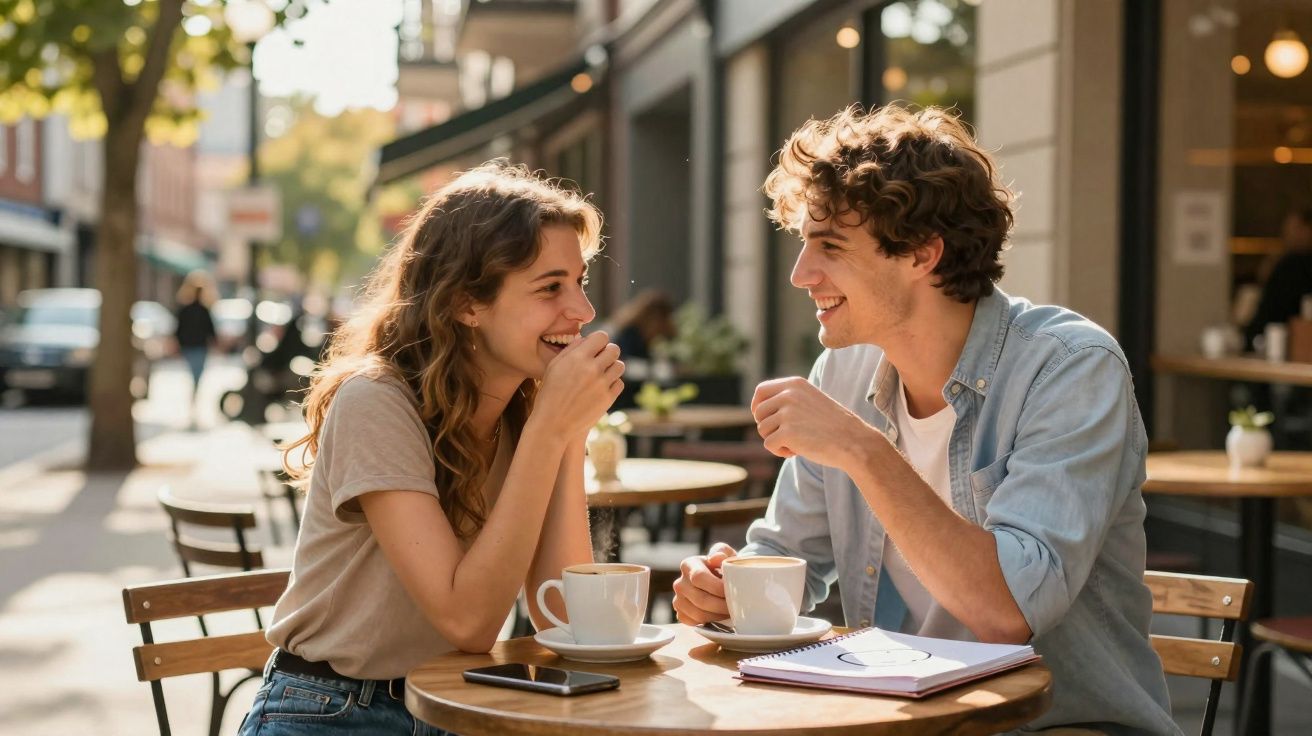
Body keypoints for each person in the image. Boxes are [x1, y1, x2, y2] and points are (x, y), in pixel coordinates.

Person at [672, 105, 1180, 734]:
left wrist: (862, 450)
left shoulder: (1071, 369)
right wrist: (726, 592)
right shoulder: (846, 371)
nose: (801, 274)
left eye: (829, 247)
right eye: (804, 244)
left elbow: (1008, 612)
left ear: (922, 253)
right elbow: (785, 556)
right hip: (898, 719)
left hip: (1058, 724)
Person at [238, 162, 624, 735]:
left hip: (456, 708)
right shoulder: (374, 401)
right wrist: (550, 431)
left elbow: (558, 615)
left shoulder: (527, 414)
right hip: (333, 710)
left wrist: (566, 433)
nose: (583, 312)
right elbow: (466, 622)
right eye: (550, 288)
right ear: (468, 303)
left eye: (580, 283)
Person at [173, 271, 217, 424]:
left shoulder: (192, 310)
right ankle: (193, 401)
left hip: (193, 347)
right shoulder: (198, 310)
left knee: (196, 376)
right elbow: (211, 331)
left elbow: (178, 330)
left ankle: (194, 402)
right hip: (195, 347)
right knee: (196, 376)